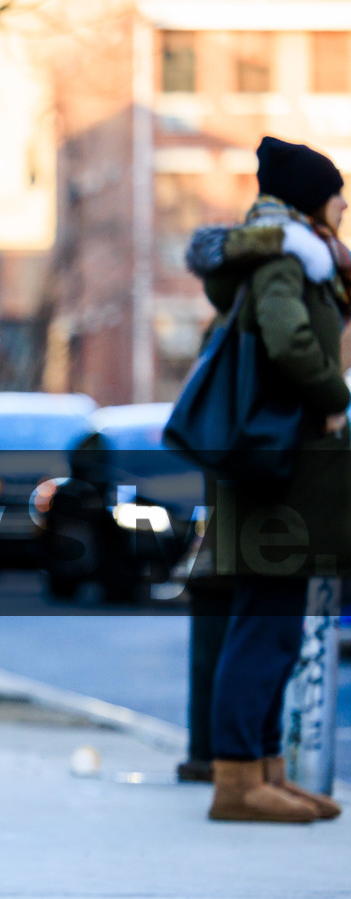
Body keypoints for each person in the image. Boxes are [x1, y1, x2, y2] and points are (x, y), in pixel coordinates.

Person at [186, 136, 348, 823]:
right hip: (277, 475)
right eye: (337, 196)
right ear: (312, 201)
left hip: (279, 473)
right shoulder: (287, 259)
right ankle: (236, 779)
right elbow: (286, 338)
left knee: (274, 626)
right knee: (263, 625)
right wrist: (333, 397)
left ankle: (264, 770)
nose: (343, 207)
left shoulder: (296, 257)